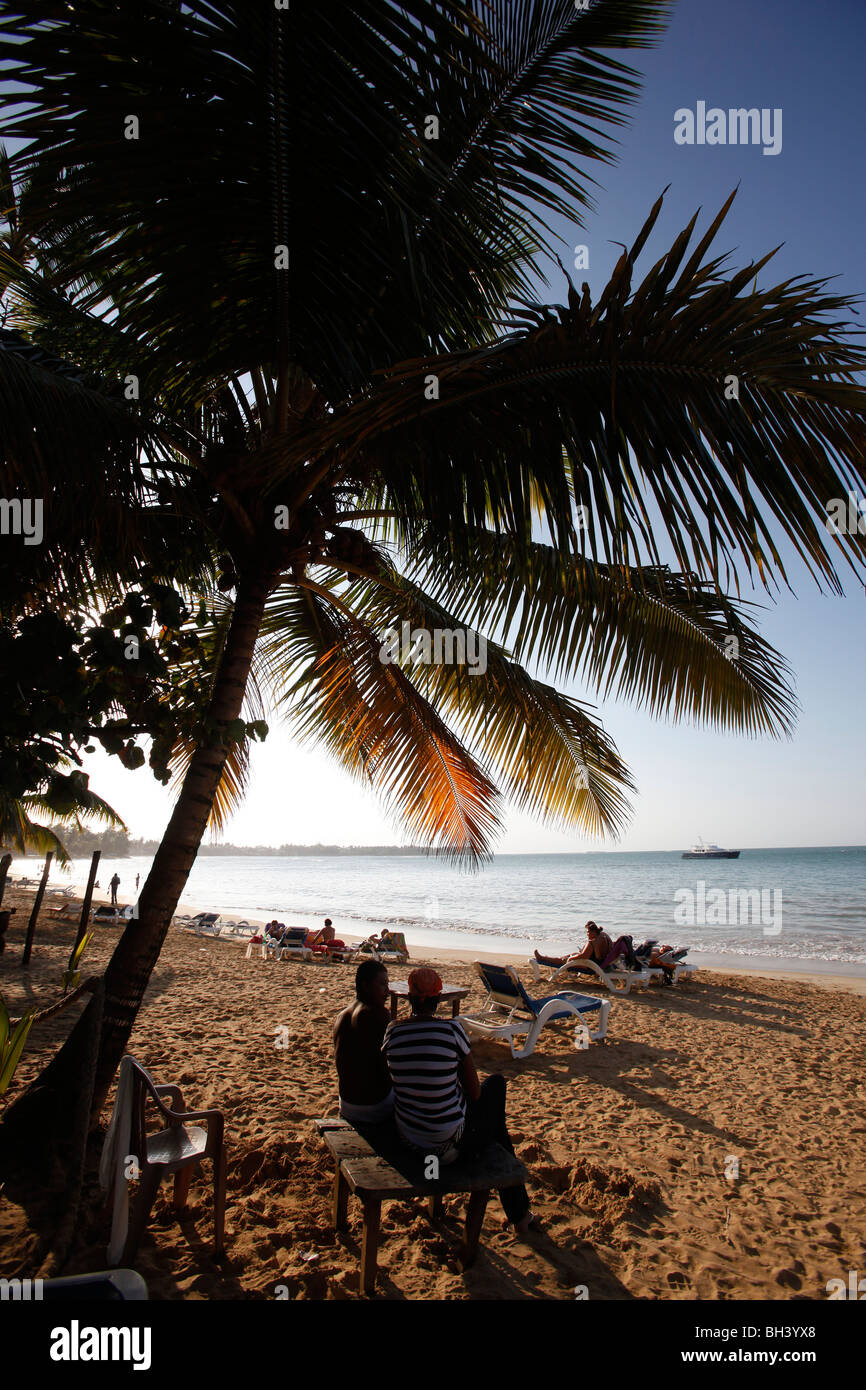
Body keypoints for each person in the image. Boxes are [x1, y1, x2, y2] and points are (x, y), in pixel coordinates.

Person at [382, 967, 532, 1233]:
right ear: (439, 999)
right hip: (446, 1145)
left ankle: (520, 1214)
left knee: (491, 1117)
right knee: (495, 1088)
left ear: (409, 997)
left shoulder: (393, 1032)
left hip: (409, 1138)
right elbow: (475, 1093)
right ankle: (519, 1214)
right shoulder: (451, 1030)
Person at [333, 960, 394, 1123]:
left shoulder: (342, 1015)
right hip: (374, 1106)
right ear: (365, 986)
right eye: (382, 985)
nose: (387, 991)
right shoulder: (378, 1015)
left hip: (347, 1104)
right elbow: (389, 1066)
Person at [534, 921, 612, 975]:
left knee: (564, 960)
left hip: (589, 966)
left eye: (588, 932)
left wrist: (571, 959)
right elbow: (597, 956)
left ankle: (542, 958)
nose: (587, 934)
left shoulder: (592, 942)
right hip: (596, 964)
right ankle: (548, 958)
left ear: (593, 932)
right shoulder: (603, 937)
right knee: (571, 955)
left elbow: (583, 956)